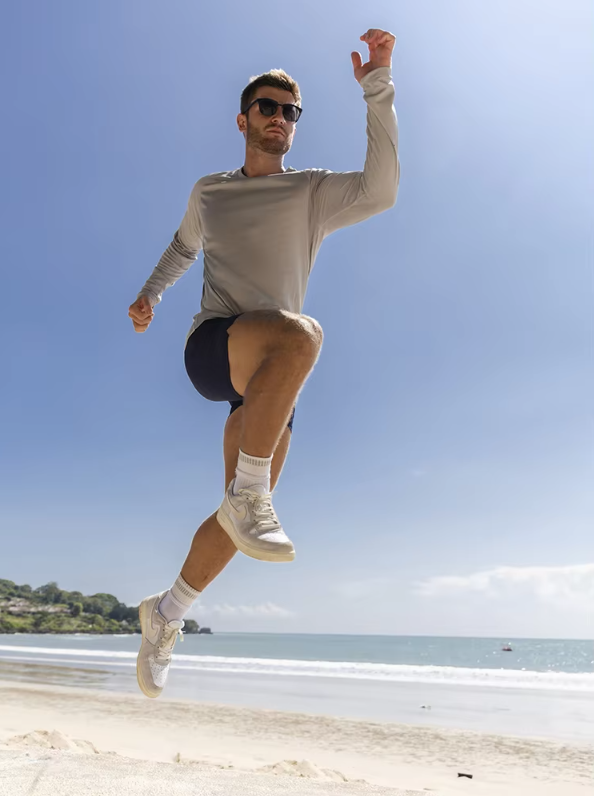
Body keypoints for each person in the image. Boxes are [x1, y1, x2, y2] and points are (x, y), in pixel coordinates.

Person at [129, 28, 400, 698]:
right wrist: (149, 293)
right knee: (301, 337)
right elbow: (181, 246)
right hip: (216, 348)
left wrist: (378, 88)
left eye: (291, 112)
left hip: (268, 382)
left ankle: (165, 616)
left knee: (235, 518)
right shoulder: (211, 192)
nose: (280, 119)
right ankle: (255, 492)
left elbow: (382, 189)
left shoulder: (310, 192)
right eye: (269, 108)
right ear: (244, 119)